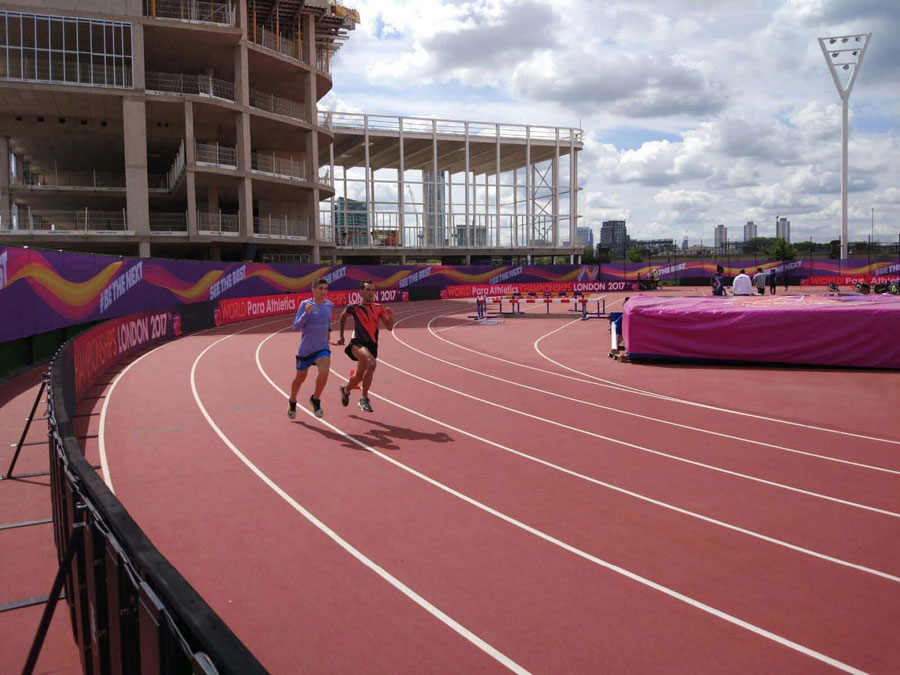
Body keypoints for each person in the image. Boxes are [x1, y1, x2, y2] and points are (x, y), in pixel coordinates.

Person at [336, 280, 395, 413]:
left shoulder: (379, 307)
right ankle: (364, 399)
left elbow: (390, 328)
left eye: (373, 290)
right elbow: (343, 316)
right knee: (372, 363)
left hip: (372, 345)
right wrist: (341, 336)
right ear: (361, 292)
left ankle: (345, 390)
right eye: (368, 290)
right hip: (357, 343)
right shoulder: (354, 307)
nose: (371, 292)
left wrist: (391, 317)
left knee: (359, 376)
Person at [288, 278, 334, 419]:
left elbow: (327, 323)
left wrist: (328, 334)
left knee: (324, 372)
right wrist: (306, 314)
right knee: (299, 379)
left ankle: (315, 398)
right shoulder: (305, 304)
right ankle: (292, 400)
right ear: (313, 290)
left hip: (322, 348)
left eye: (325, 289)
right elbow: (296, 326)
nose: (323, 291)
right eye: (320, 288)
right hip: (306, 349)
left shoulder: (329, 305)